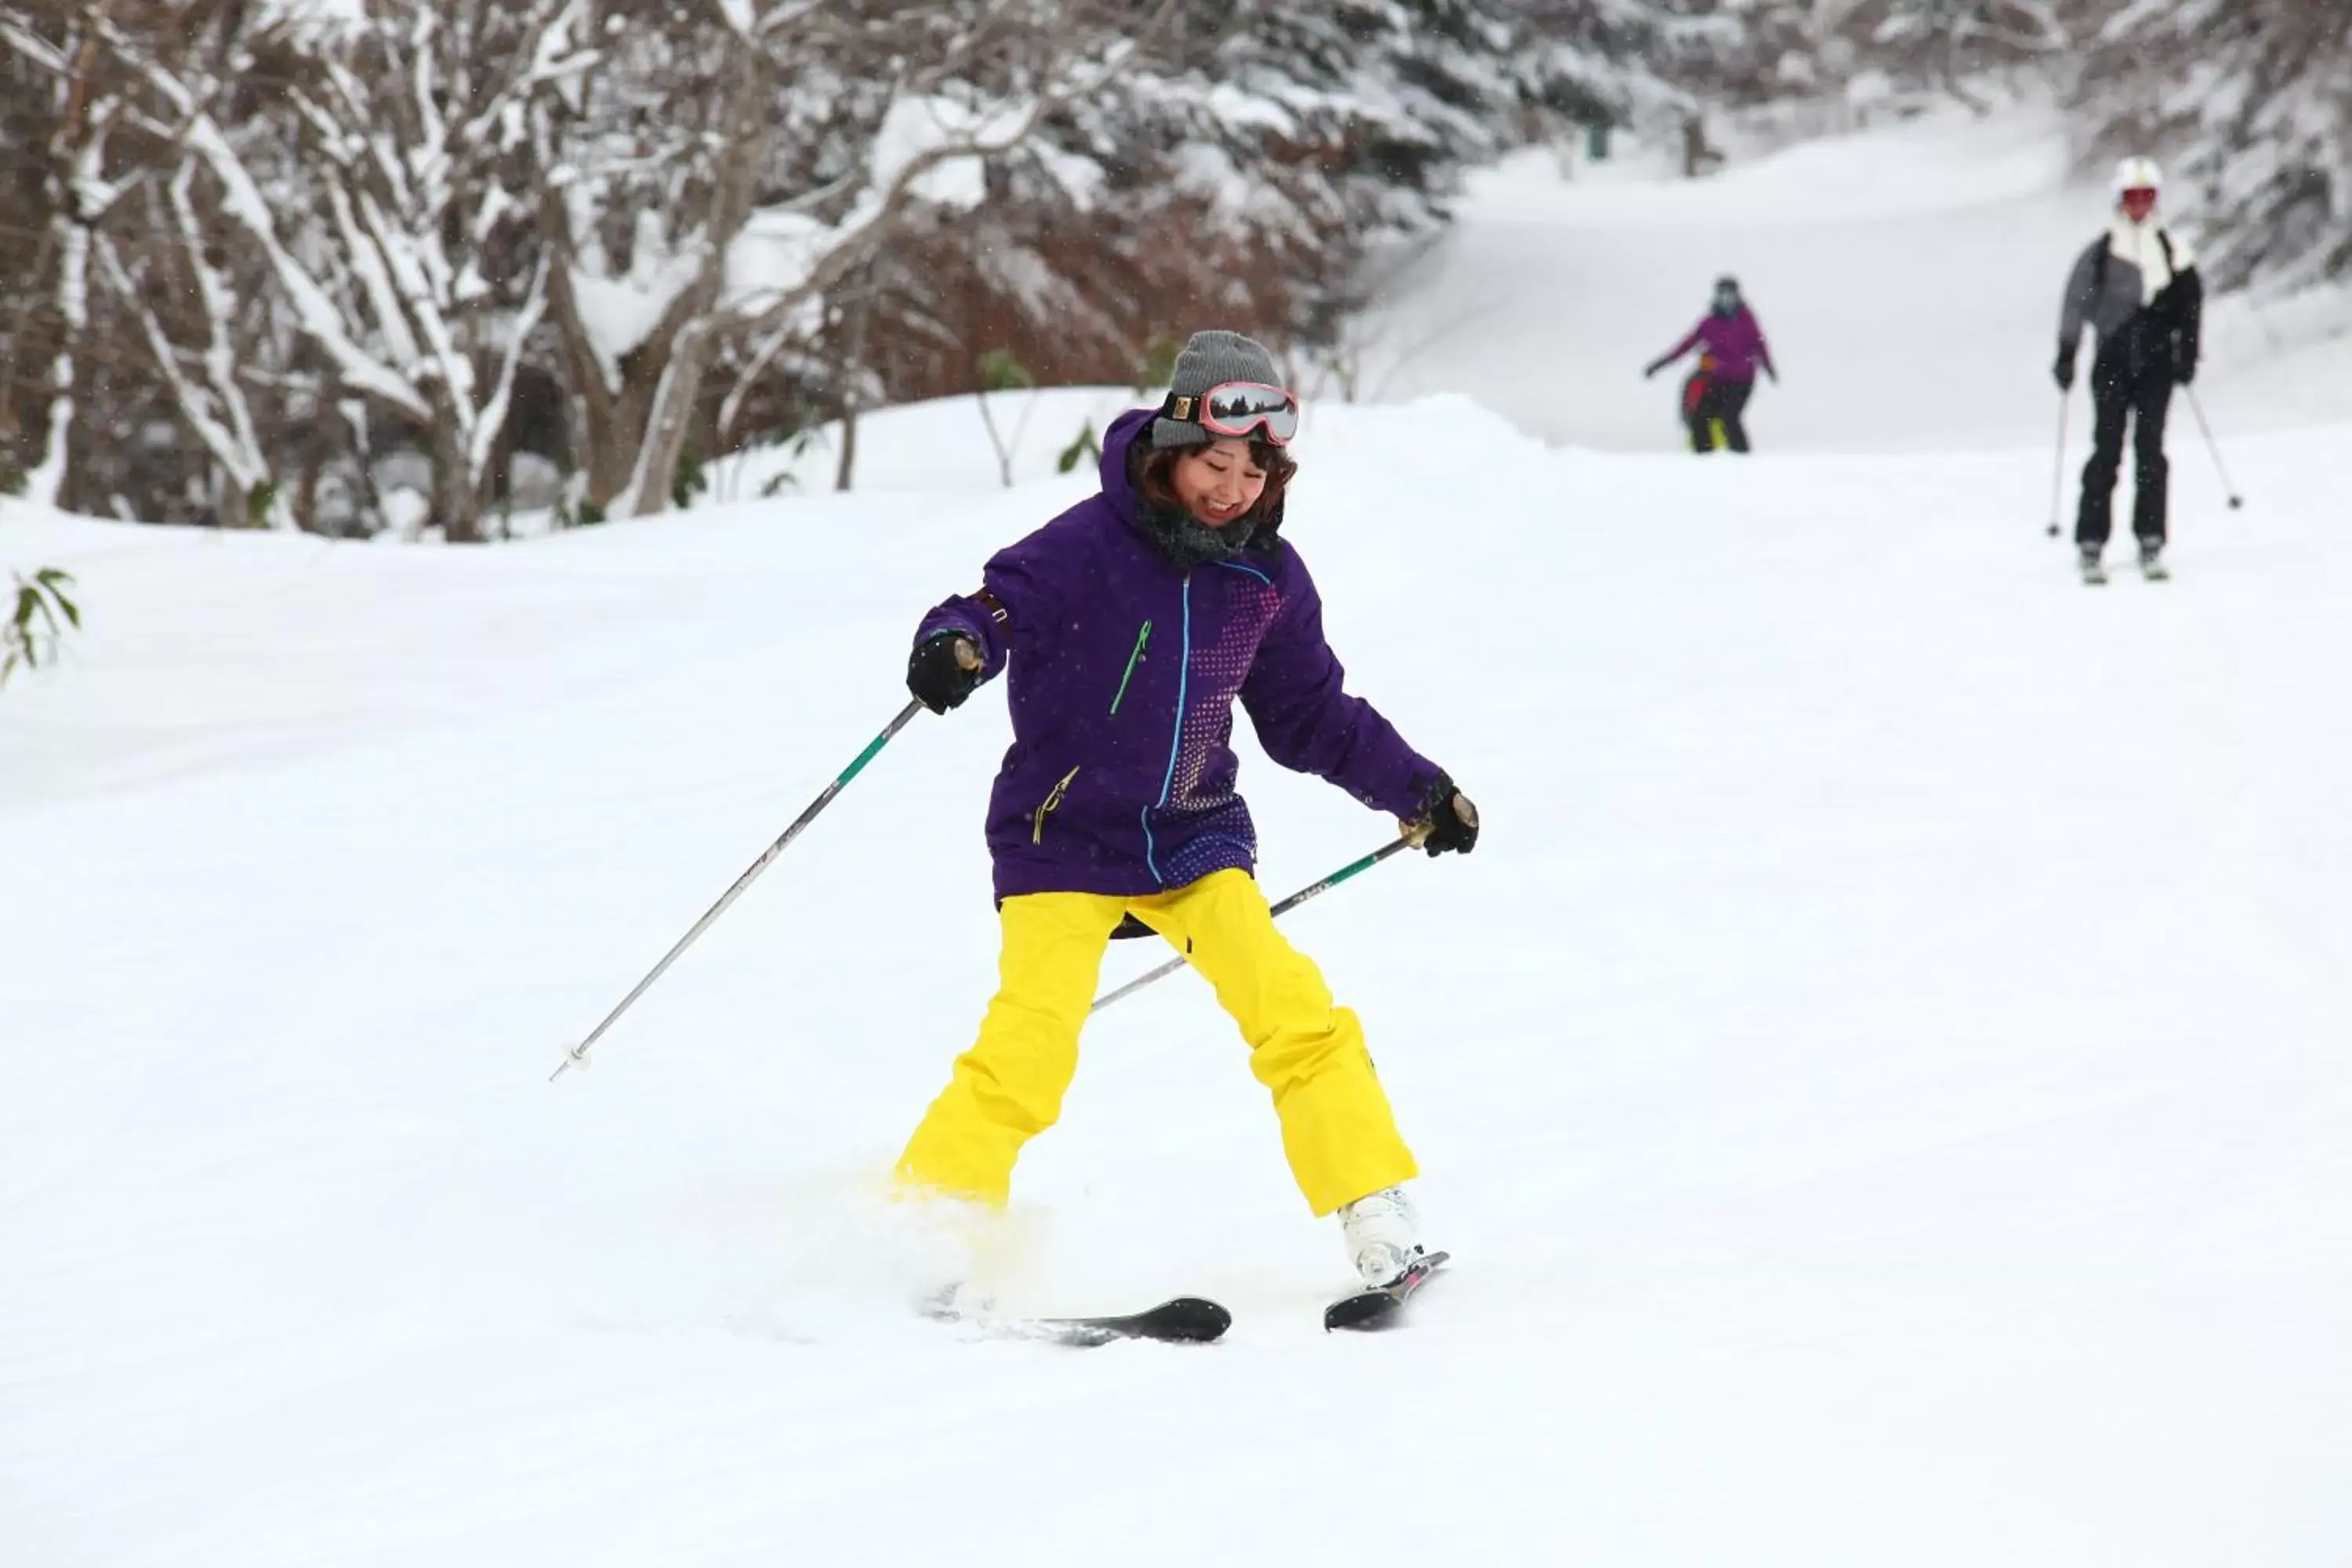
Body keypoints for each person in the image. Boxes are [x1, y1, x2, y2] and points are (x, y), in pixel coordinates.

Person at [895, 329, 1479, 1290]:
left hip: (1192, 837)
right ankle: (924, 1234)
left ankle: (1378, 1214)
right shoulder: (1089, 542)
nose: (1234, 488)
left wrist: (1417, 787)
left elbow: (1310, 714)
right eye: (1216, 462)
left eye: (1255, 470)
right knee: (1028, 1046)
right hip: (1062, 837)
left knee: (1299, 1016)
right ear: (1173, 444)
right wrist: (956, 643)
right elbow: (995, 608)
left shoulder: (1265, 579)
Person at [2055, 155, 2203, 583]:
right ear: (2119, 200)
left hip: (2156, 363)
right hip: (2113, 362)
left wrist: (2187, 354)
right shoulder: (2103, 252)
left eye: (2146, 196)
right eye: (2131, 196)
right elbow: (2075, 303)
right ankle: (2091, 541)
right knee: (2107, 450)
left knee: (2151, 452)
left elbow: (2191, 307)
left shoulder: (2172, 249)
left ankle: (2151, 537)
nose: (2139, 204)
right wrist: (2067, 353)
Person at [1646, 276, 1777, 453]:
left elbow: (1760, 345)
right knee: (1700, 416)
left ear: (1738, 296)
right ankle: (1704, 460)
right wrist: (1661, 363)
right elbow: (1686, 345)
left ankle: (1743, 459)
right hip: (1718, 379)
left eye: (1730, 296)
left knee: (1729, 416)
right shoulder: (1710, 323)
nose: (1726, 300)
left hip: (1742, 380)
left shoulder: (1746, 321)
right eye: (1722, 295)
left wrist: (1769, 367)